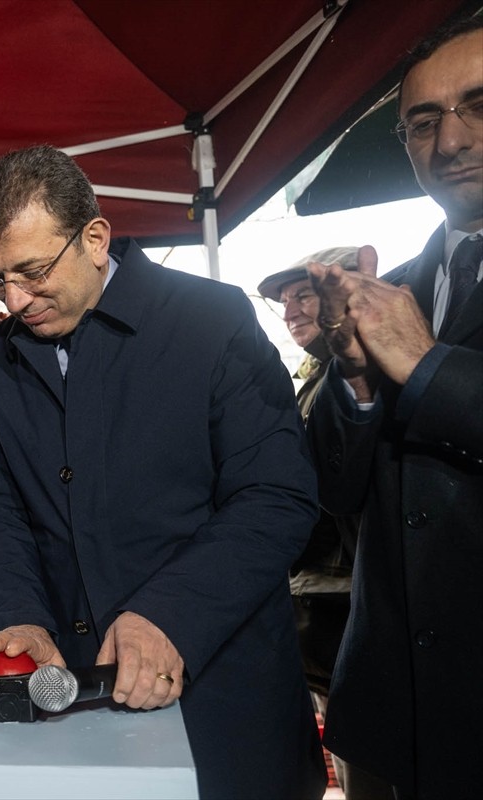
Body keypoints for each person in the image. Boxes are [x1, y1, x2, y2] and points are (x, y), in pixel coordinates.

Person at [0, 145, 325, 799]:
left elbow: (276, 495)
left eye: (32, 272)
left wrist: (169, 616)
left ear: (95, 239)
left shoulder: (212, 320)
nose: (15, 299)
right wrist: (21, 618)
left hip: (224, 699)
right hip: (75, 703)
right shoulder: (0, 360)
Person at [305, 16, 483, 798]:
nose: (452, 141)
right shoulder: (397, 288)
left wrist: (427, 367)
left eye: (479, 104)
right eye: (423, 122)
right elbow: (335, 492)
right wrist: (355, 381)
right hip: (388, 713)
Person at [258, 251, 393, 800]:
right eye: (285, 301)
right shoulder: (319, 379)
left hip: (360, 610)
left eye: (304, 295)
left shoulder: (376, 372)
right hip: (328, 614)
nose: (290, 309)